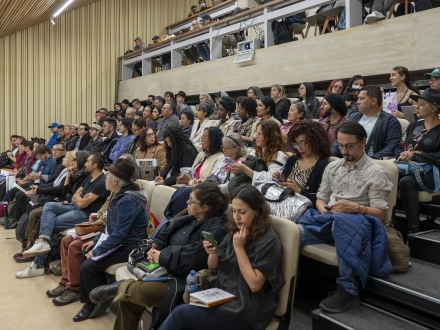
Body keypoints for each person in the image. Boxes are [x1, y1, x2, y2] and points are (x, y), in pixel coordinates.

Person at [89, 183, 228, 330]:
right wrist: (154, 247)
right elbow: (164, 235)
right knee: (127, 301)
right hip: (164, 268)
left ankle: (120, 287)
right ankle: (122, 288)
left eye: (191, 201)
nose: (187, 203)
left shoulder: (216, 228)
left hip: (184, 280)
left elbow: (194, 257)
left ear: (205, 207)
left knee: (134, 292)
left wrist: (162, 256)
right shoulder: (189, 217)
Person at [159, 185, 284, 330]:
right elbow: (213, 267)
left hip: (246, 311)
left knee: (180, 315)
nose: (236, 217)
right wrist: (212, 252)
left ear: (257, 212)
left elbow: (255, 285)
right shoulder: (236, 231)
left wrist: (239, 248)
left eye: (242, 212)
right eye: (234, 211)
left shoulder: (268, 241)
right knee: (181, 307)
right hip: (223, 297)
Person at [298, 121, 393, 313]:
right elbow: (321, 197)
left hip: (360, 223)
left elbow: (381, 214)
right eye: (341, 146)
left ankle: (349, 290)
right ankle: (287, 279)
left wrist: (356, 208)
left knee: (343, 226)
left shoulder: (376, 173)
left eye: (350, 146)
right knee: (292, 231)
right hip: (330, 220)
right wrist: (323, 209)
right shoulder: (333, 167)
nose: (344, 151)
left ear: (363, 142)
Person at [72, 158, 148, 322]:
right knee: (84, 251)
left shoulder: (128, 200)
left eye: (107, 175)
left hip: (130, 247)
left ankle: (90, 303)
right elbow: (110, 226)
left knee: (88, 265)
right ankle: (98, 296)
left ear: (115, 181)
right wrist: (96, 240)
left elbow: (119, 234)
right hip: (120, 242)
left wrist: (98, 250)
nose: (105, 177)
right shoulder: (120, 195)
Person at [16, 153, 110, 278]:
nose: (84, 163)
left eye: (87, 161)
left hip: (83, 214)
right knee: (49, 206)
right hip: (74, 207)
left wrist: (79, 198)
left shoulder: (101, 182)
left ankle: (38, 265)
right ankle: (42, 243)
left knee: (48, 224)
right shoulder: (89, 178)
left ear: (95, 165)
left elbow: (81, 204)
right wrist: (79, 197)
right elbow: (75, 195)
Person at [395, 89, 440, 236]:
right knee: (387, 174)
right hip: (409, 167)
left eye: (421, 104)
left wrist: (414, 156)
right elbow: (399, 147)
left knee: (406, 182)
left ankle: (413, 229)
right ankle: (390, 223)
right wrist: (401, 155)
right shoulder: (413, 126)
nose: (417, 107)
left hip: (434, 171)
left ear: (433, 108)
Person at [331, 85, 402, 160]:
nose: (357, 102)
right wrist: (330, 154)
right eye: (358, 98)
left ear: (373, 101)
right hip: (348, 160)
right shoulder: (353, 117)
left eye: (361, 99)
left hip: (374, 163)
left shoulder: (390, 121)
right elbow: (339, 140)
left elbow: (392, 147)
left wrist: (369, 161)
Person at [274, 120, 330, 207]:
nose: (299, 148)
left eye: (303, 143)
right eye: (296, 144)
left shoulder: (323, 166)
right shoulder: (292, 160)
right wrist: (281, 180)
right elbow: (285, 184)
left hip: (302, 208)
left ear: (315, 141)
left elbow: (321, 201)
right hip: (284, 203)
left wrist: (299, 191)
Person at [232, 120, 288, 184]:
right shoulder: (256, 152)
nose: (256, 136)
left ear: (270, 137)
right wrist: (238, 169)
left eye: (260, 134)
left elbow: (271, 178)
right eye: (256, 132)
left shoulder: (279, 156)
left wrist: (246, 170)